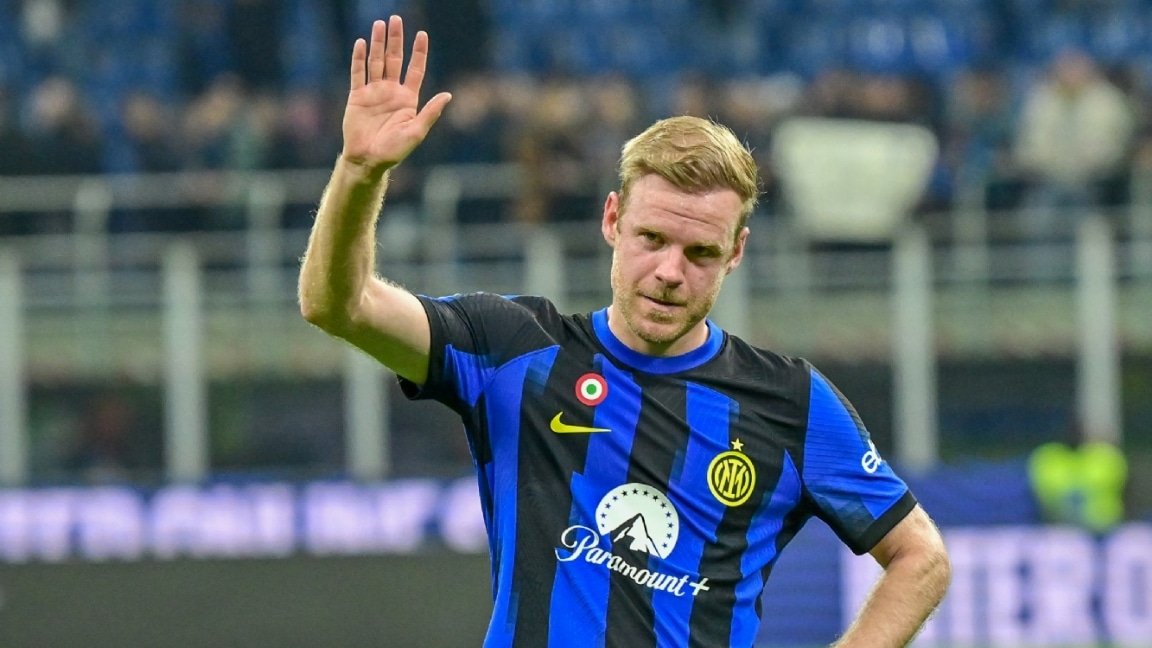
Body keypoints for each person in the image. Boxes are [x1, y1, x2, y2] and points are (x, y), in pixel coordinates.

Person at [299, 16, 950, 647]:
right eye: (652, 239)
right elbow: (338, 305)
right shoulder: (515, 349)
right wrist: (360, 171)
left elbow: (921, 557)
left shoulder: (790, 403)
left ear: (736, 253)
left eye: (700, 253)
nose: (669, 272)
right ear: (612, 220)